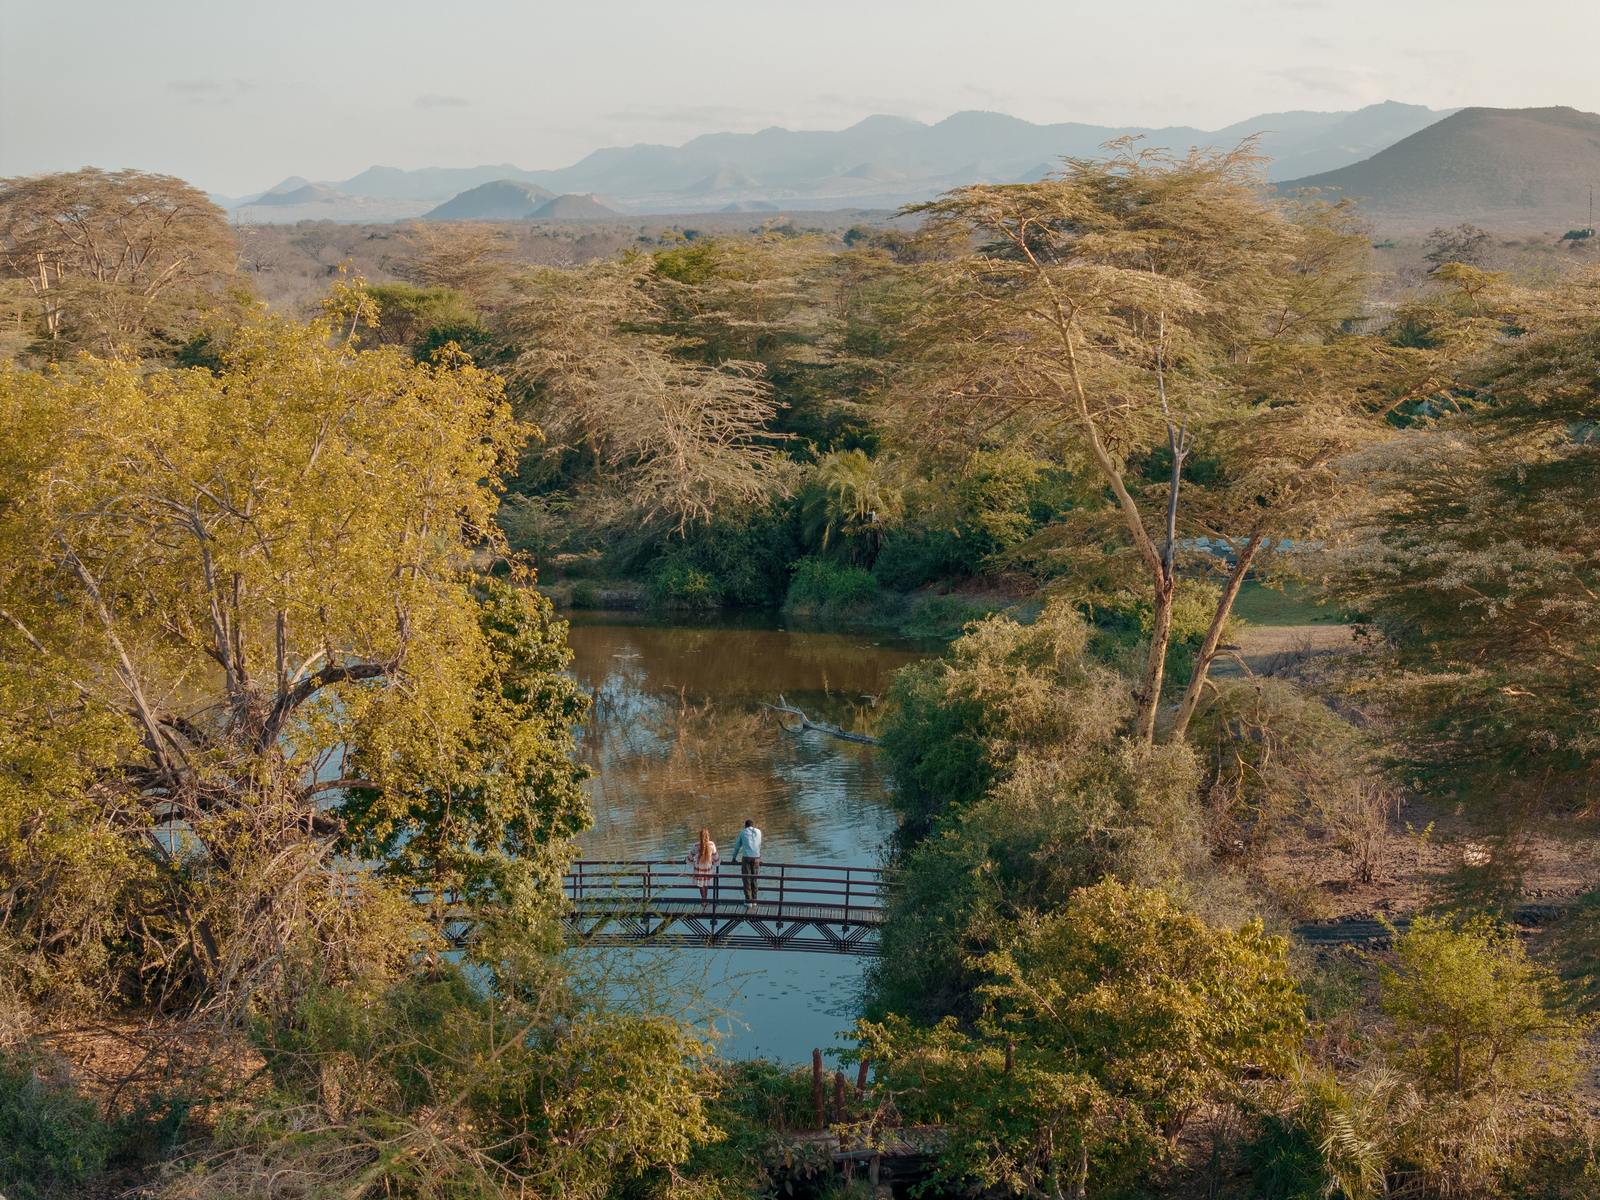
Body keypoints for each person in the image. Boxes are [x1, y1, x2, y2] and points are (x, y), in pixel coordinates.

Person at [731, 818, 763, 907]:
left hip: (747, 858)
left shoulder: (743, 832)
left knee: (746, 879)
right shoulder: (759, 832)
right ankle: (755, 900)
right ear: (752, 825)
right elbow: (759, 844)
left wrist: (734, 858)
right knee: (754, 879)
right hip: (756, 857)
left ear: (745, 826)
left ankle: (748, 900)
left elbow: (737, 846)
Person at [685, 828, 720, 904]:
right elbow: (715, 856)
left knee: (700, 884)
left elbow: (691, 855)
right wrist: (716, 862)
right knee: (706, 883)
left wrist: (690, 861)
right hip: (708, 866)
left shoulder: (696, 845)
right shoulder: (711, 844)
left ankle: (704, 900)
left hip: (699, 867)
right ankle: (705, 899)